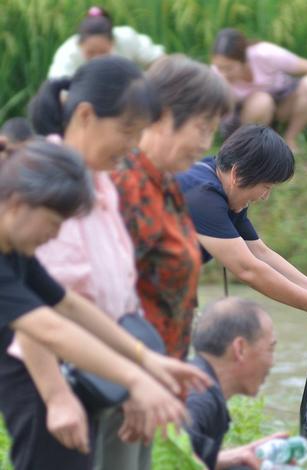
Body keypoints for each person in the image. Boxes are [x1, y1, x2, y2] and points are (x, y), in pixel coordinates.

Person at [23, 55, 202, 470]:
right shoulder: (47, 186)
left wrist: (136, 375)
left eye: (138, 132)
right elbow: (37, 308)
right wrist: (57, 395)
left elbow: (119, 297)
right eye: (126, 131)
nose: (131, 145)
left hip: (104, 376)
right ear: (85, 115)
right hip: (60, 379)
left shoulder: (100, 182)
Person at [111, 54, 233, 360]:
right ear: (164, 116)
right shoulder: (124, 188)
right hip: (128, 378)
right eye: (202, 128)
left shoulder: (168, 186)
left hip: (162, 373)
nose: (207, 145)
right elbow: (100, 302)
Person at [177, 125, 307, 327]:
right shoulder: (202, 195)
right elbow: (248, 269)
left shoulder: (224, 187)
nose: (265, 197)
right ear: (237, 174)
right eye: (266, 187)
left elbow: (259, 252)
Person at [186, 297, 288, 470]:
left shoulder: (199, 384)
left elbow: (183, 456)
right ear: (240, 349)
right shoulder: (198, 398)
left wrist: (239, 455)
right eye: (270, 349)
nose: (272, 362)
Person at [211, 28, 307, 152]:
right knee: (262, 101)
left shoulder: (264, 54)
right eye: (219, 68)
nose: (223, 73)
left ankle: (289, 139)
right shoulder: (216, 76)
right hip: (245, 119)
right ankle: (250, 148)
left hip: (280, 104)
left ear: (244, 60)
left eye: (228, 68)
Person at [47, 5, 165, 79]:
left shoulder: (127, 38)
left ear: (114, 41)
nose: (97, 59)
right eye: (91, 53)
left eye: (103, 52)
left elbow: (161, 61)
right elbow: (58, 92)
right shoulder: (67, 54)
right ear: (79, 45)